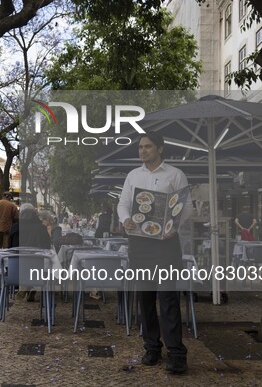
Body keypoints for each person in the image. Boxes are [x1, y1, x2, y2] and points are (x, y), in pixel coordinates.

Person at [117, 131, 190, 374]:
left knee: (168, 298)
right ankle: (152, 348)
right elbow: (123, 203)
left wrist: (174, 227)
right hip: (140, 242)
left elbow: (185, 207)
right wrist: (126, 219)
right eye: (140, 147)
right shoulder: (133, 175)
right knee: (145, 298)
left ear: (160, 148)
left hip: (167, 243)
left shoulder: (175, 175)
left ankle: (177, 354)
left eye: (148, 147)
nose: (143, 151)